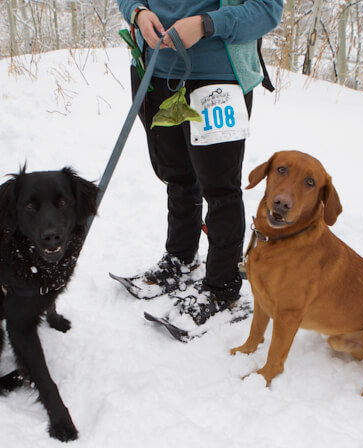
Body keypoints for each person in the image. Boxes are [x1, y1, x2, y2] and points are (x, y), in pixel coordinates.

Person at [116, 0, 283, 325]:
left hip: (219, 80)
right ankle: (180, 258)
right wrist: (138, 12)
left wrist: (206, 24)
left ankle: (222, 287)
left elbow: (266, 11)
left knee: (220, 190)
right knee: (177, 178)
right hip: (157, 76)